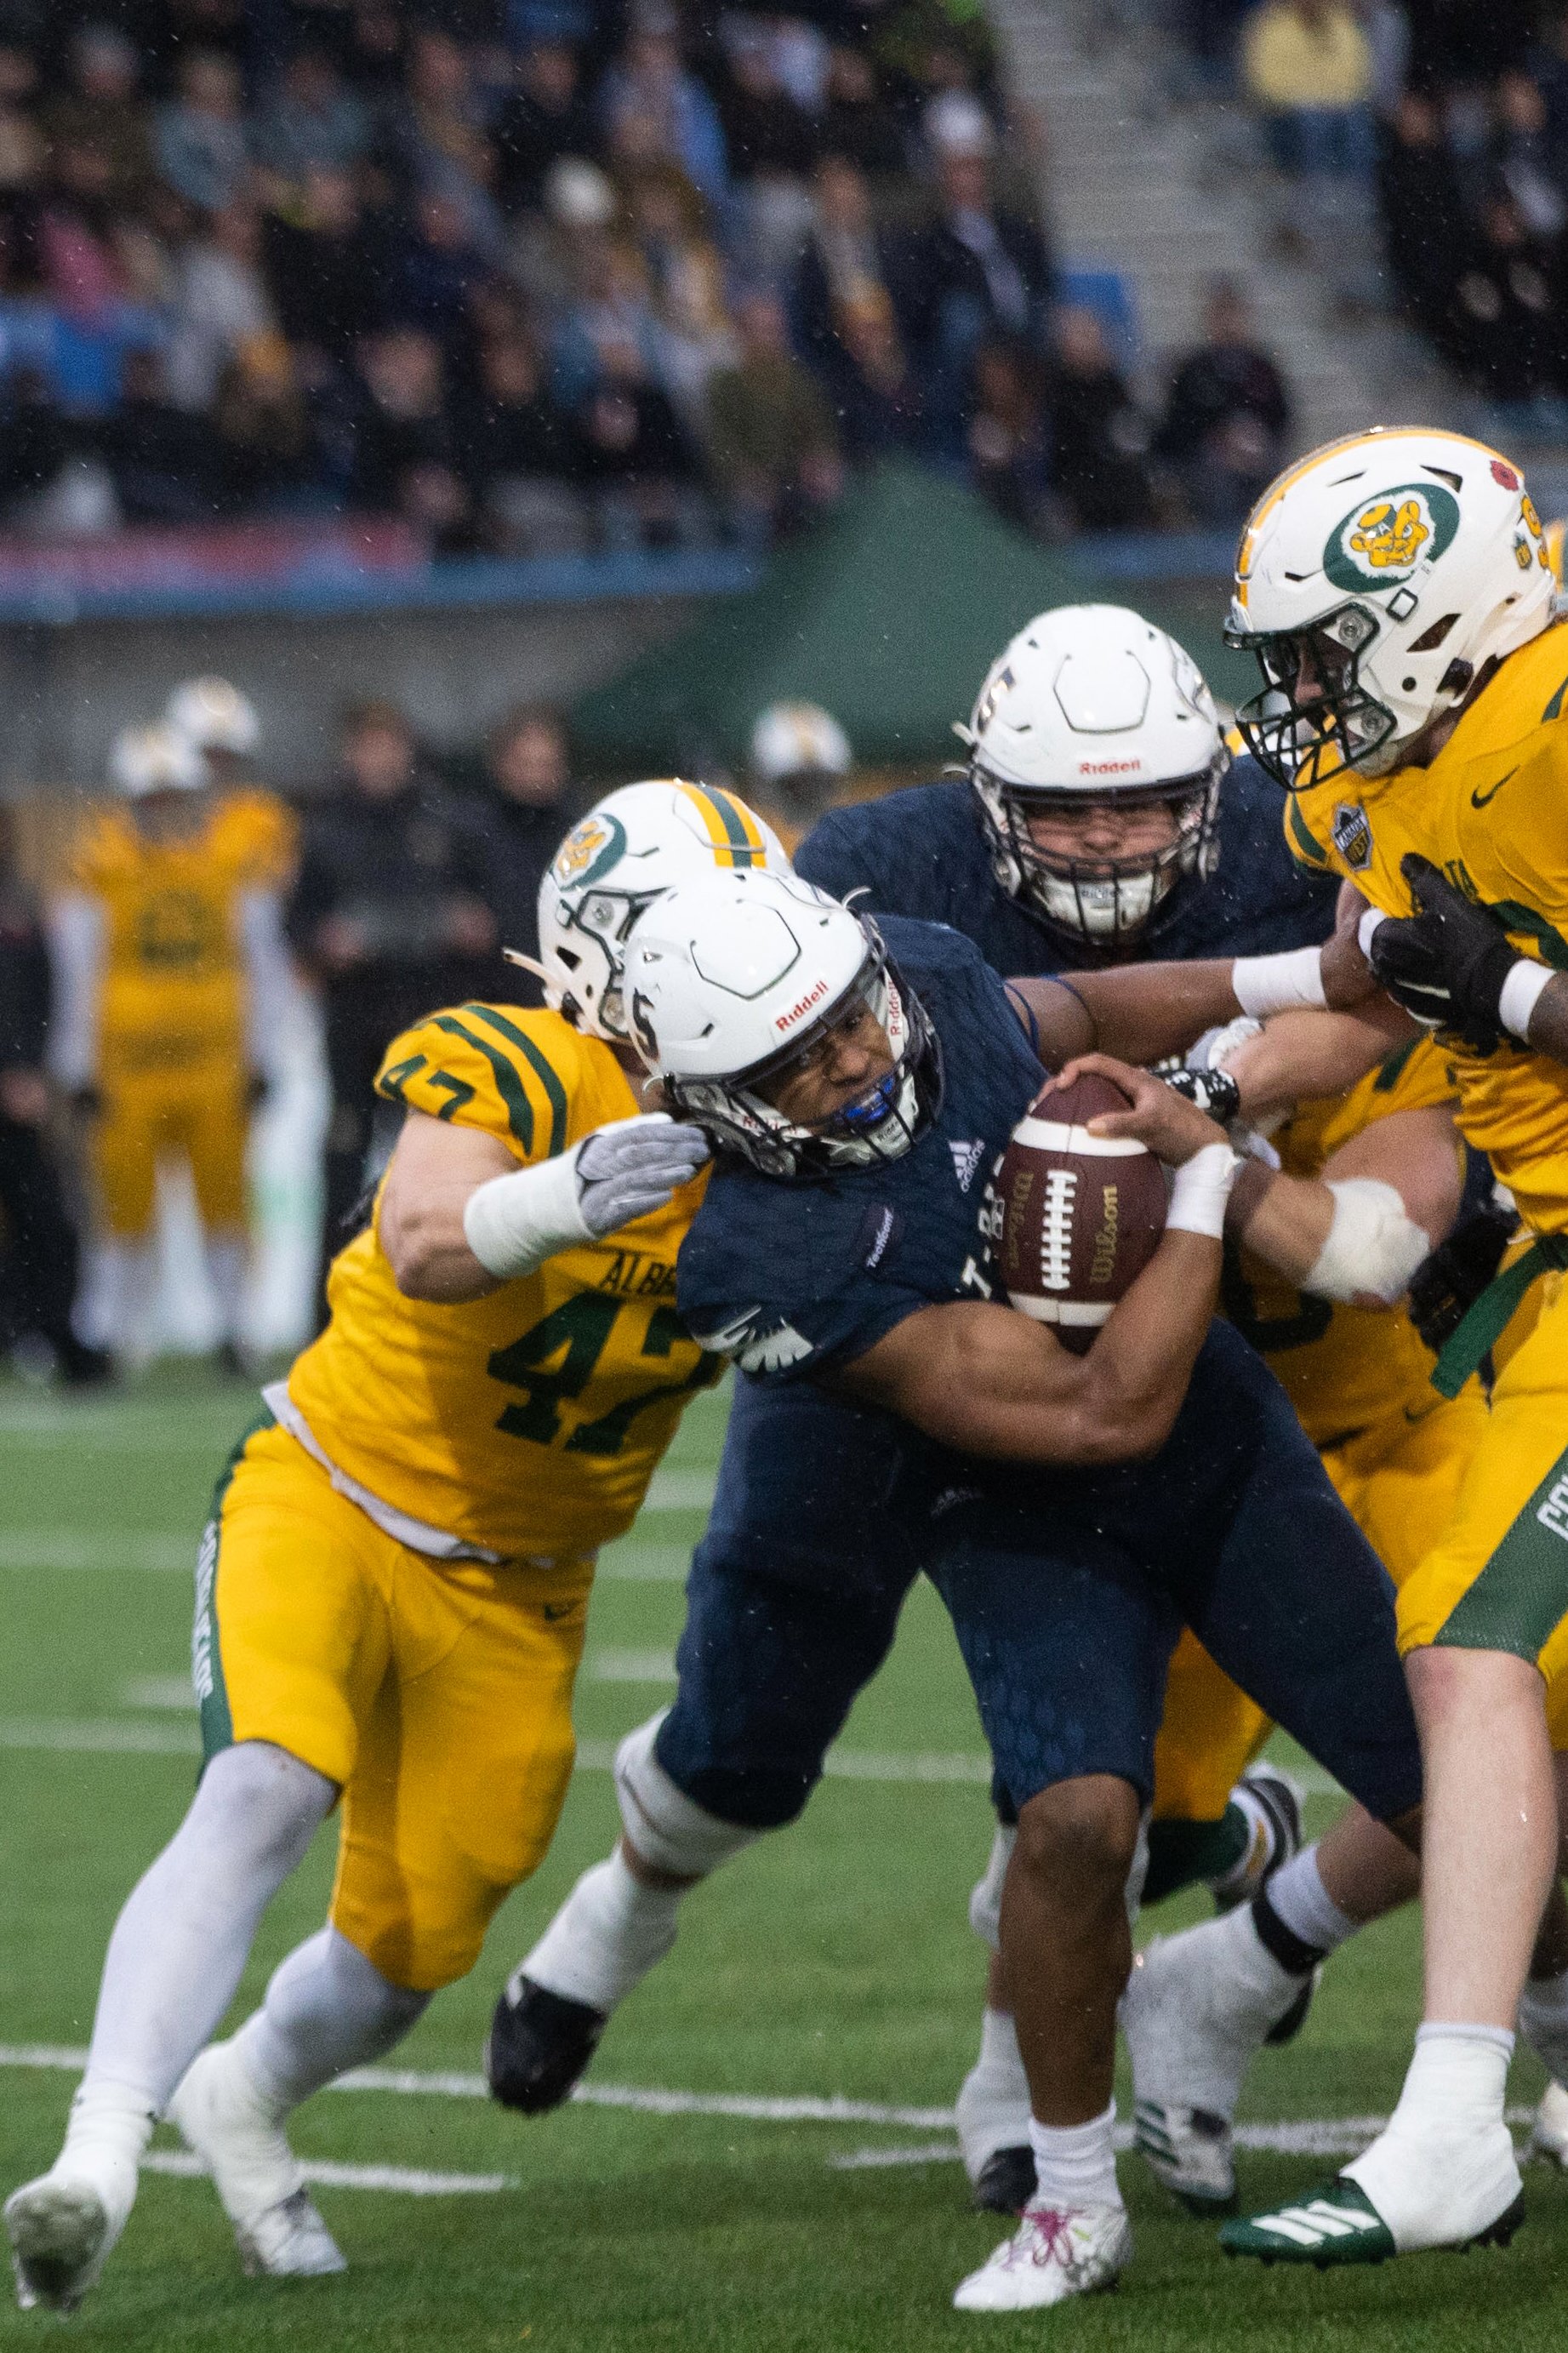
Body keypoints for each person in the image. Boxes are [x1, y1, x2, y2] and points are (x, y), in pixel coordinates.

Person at [481, 609, 1400, 2196]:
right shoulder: (764, 1179)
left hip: (1163, 1315)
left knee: (1098, 1783)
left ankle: (1019, 2082)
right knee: (746, 1729)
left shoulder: (1002, 924)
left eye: (1137, 802)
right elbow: (431, 1235)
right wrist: (536, 1208)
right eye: (1060, 808)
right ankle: (603, 1931)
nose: (1103, 841)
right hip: (886, 1324)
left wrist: (1225, 1075)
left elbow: (1237, 1007)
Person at [2, 780, 784, 2317]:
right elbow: (427, 1234)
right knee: (264, 1781)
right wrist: (561, 1198)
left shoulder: (787, 1114)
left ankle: (242, 2097)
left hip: (526, 1590)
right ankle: (95, 2160)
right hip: (335, 1494)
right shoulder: (516, 1060)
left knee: (415, 1941)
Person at [606, 859, 1423, 2310]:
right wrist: (1193, 1179)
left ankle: (1505, 2031)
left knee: (1445, 1779)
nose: (856, 1053)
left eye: (849, 1012)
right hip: (1012, 1496)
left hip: (1218, 1448)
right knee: (1071, 1822)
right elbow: (1097, 1413)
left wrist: (1287, 986)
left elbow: (1069, 1006)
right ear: (715, 1101)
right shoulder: (756, 1257)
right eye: (798, 1061)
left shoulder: (916, 975)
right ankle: (1067, 2197)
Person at [1203, 425, 1568, 2264]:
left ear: (1433, 617)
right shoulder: (1412, 768)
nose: (1298, 701)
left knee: (1473, 1644)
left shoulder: (1556, 727)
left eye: (1321, 654)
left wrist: (1504, 996)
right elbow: (1366, 984)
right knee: (1498, 1663)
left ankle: (1450, 2127)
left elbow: (1465, 977)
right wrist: (1193, 1080)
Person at [47, 723, 294, 1374]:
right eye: (151, 798)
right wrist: (76, 1066)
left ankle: (237, 1329)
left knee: (226, 1201)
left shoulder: (234, 862)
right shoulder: (101, 865)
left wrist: (263, 1056)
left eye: (175, 796)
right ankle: (109, 1335)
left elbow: (263, 965)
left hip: (214, 1062)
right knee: (123, 1206)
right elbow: (78, 973)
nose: (165, 811)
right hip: (129, 1067)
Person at [285, 700, 499, 1316]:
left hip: (433, 1023)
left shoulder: (448, 821)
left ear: (407, 751)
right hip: (355, 1023)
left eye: (389, 745)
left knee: (442, 1166)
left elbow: (491, 912)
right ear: (351, 753)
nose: (380, 759)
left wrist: (468, 925)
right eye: (368, 746)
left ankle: (450, 1302)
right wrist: (324, 941)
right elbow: (296, 924)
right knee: (343, 1165)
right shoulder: (325, 829)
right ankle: (329, 1311)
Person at [0, 803, 107, 1385]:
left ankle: (54, 1335)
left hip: (22, 1098)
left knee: (48, 1222)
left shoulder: (21, 904)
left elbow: (44, 998)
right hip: (12, 1084)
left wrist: (33, 1070)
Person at [1154, 280, 1291, 528]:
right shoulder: (1192, 369)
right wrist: (1219, 440)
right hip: (1206, 462)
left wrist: (1255, 439)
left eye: (1234, 315)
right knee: (1215, 483)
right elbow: (1177, 425)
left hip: (1258, 459)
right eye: (1222, 315)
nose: (1229, 324)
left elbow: (1281, 417)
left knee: (1277, 480)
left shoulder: (1262, 368)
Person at [476, 704, 575, 991]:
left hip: (563, 990)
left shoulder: (581, 829)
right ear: (501, 764)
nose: (537, 778)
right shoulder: (471, 831)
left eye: (547, 765)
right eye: (526, 765)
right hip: (492, 990)